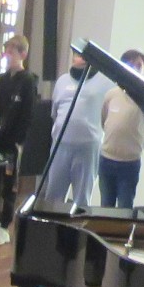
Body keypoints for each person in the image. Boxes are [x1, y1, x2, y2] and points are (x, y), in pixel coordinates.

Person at [41, 50, 111, 210]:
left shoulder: (105, 82)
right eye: (78, 55)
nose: (81, 58)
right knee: (54, 195)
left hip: (87, 147)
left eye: (86, 55)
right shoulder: (62, 81)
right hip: (61, 145)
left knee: (82, 198)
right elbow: (55, 112)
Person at [0, 34, 39, 246]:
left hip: (12, 143)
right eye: (6, 52)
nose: (8, 56)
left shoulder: (27, 81)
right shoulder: (1, 79)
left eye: (12, 52)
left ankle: (5, 225)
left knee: (9, 185)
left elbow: (27, 114)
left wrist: (19, 141)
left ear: (23, 54)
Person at [96, 47, 144, 209]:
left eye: (140, 66)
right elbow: (104, 121)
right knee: (106, 206)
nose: (136, 70)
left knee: (125, 208)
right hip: (107, 160)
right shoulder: (111, 94)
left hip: (130, 163)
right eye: (133, 65)